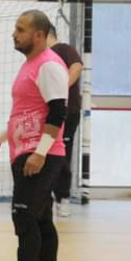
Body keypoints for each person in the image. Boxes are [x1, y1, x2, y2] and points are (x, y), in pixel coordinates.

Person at [0, 10, 68, 261]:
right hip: (26, 151)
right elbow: (25, 115)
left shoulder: (49, 65)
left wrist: (40, 152)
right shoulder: (30, 65)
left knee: (24, 215)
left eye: (20, 29)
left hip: (40, 154)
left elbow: (58, 112)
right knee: (41, 218)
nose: (14, 34)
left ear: (39, 35)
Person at [47, 24, 84, 217]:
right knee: (47, 155)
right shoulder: (40, 58)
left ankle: (63, 198)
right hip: (48, 113)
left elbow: (77, 66)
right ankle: (48, 197)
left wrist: (61, 88)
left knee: (62, 155)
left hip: (67, 113)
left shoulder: (63, 49)